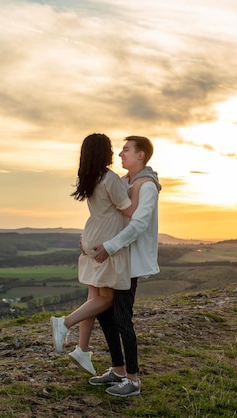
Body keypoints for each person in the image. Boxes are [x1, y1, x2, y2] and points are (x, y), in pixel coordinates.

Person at [50, 133, 145, 376]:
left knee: (94, 297)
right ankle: (65, 322)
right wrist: (141, 185)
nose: (114, 153)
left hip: (92, 234)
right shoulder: (110, 179)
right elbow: (130, 210)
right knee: (108, 299)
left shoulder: (90, 177)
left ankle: (82, 350)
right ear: (104, 152)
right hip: (106, 239)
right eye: (111, 148)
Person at [89, 135, 161, 397]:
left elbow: (139, 224)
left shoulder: (148, 186)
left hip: (129, 260)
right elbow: (107, 215)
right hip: (116, 258)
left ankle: (133, 379)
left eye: (126, 150)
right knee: (105, 314)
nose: (120, 154)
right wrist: (89, 239)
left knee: (122, 317)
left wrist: (109, 247)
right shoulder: (122, 182)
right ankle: (118, 369)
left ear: (141, 155)